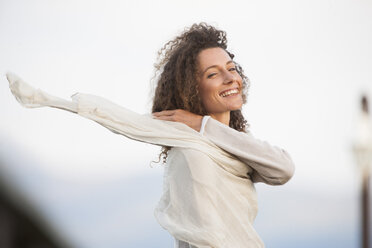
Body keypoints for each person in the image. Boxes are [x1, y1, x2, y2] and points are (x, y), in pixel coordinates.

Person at [6, 23, 294, 248]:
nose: (231, 78)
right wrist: (51, 99)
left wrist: (203, 124)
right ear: (191, 88)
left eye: (231, 69)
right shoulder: (188, 146)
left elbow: (283, 169)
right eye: (213, 74)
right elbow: (125, 120)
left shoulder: (242, 148)